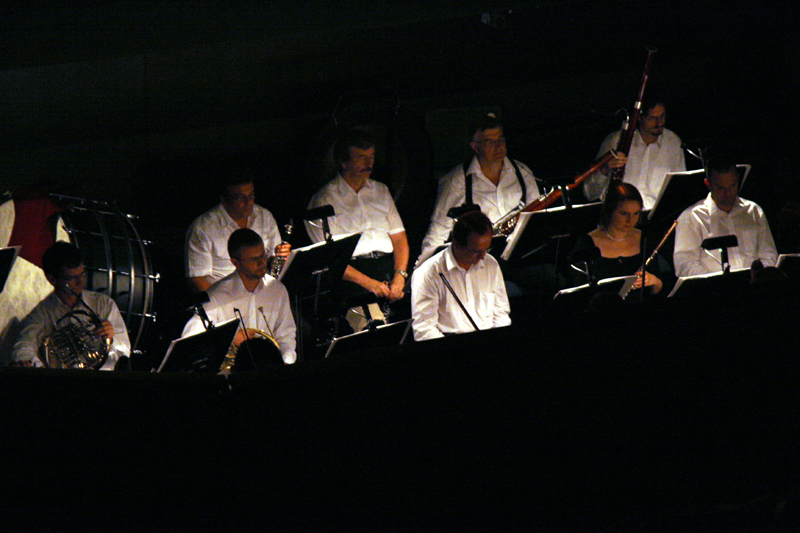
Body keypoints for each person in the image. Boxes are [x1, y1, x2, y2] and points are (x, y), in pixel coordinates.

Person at [417, 113, 540, 265]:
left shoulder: (523, 172)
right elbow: (439, 229)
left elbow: (537, 216)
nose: (499, 146)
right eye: (489, 142)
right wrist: (422, 268)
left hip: (522, 257)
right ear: (475, 147)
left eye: (500, 139)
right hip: (479, 260)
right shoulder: (457, 181)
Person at [305, 129, 409, 304]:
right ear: (343, 162)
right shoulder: (324, 199)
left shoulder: (381, 190)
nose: (369, 164)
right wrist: (370, 284)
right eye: (361, 158)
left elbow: (399, 238)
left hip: (388, 269)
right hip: (352, 278)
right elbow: (330, 257)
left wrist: (399, 276)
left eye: (372, 157)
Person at [182, 228, 297, 365]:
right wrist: (228, 337)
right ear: (235, 262)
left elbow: (286, 335)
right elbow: (189, 339)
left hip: (270, 369)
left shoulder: (277, 290)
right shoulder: (217, 295)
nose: (262, 263)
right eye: (254, 259)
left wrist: (286, 363)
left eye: (263, 255)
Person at [12, 241, 130, 369]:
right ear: (52, 279)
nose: (80, 282)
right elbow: (23, 346)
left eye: (82, 274)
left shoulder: (104, 304)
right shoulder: (41, 313)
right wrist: (31, 364)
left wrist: (112, 339)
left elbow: (125, 351)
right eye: (71, 278)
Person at [411, 211, 511, 341]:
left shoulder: (490, 264)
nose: (482, 257)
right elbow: (424, 330)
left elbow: (501, 313)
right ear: (456, 244)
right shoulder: (429, 273)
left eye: (486, 249)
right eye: (475, 251)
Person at [185, 171, 291, 293]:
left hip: (262, 292)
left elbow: (272, 265)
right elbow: (196, 279)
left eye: (251, 196)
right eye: (240, 197)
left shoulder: (265, 217)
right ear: (224, 200)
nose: (248, 202)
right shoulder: (202, 228)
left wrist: (282, 258)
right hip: (224, 296)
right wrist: (221, 301)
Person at [673, 156, 777, 277]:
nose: (728, 193)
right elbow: (685, 266)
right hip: (714, 287)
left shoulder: (754, 211)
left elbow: (769, 254)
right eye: (720, 188)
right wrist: (720, 281)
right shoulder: (691, 218)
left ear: (738, 179)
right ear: (708, 184)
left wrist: (758, 276)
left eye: (732, 186)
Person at [583, 92, 686, 211]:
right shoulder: (616, 141)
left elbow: (680, 189)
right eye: (652, 118)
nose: (659, 123)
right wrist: (605, 169)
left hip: (656, 216)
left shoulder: (673, 142)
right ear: (639, 117)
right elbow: (589, 193)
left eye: (662, 116)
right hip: (620, 213)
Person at [570, 183, 668, 294]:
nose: (630, 220)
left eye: (636, 213)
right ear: (610, 211)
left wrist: (654, 281)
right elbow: (579, 293)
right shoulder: (586, 243)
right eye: (624, 213)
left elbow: (659, 291)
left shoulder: (645, 239)